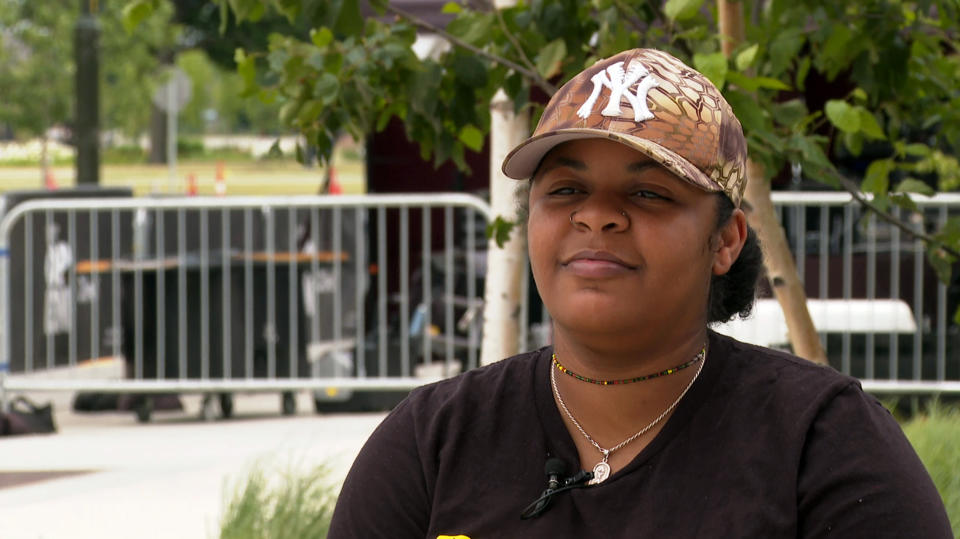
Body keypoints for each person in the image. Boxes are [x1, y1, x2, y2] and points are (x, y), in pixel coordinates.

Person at [328, 48, 952, 538]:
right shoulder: (431, 442)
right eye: (566, 190)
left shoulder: (825, 445)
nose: (597, 217)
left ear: (727, 239)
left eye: (649, 193)